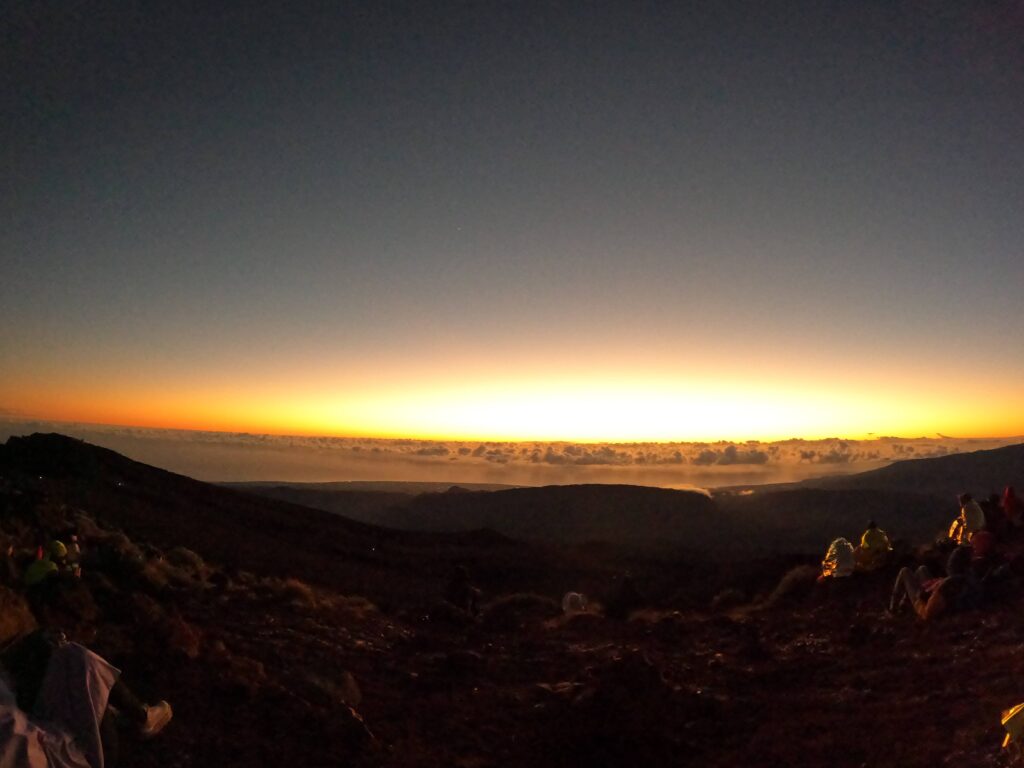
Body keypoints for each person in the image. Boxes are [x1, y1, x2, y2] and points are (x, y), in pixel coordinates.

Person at [0, 630, 172, 768]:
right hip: (80, 753)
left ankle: (121, 715)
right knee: (80, 662)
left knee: (68, 658)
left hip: (51, 733)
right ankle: (143, 716)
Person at [889, 546, 980, 620]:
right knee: (922, 569)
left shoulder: (952, 583)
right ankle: (903, 603)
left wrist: (925, 592)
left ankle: (892, 608)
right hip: (931, 595)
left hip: (923, 605)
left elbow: (929, 610)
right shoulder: (967, 579)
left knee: (905, 571)